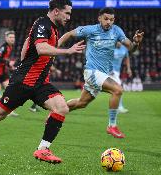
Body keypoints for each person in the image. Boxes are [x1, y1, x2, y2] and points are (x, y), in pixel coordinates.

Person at [0, 0, 86, 164]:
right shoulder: (42, 24)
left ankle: (42, 150)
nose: (68, 17)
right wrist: (68, 51)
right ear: (56, 11)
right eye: (67, 13)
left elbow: (27, 44)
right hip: (23, 82)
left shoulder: (54, 28)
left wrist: (27, 61)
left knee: (61, 108)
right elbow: (41, 48)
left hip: (40, 83)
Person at [58, 7, 144, 138]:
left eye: (111, 19)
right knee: (118, 90)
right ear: (99, 18)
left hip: (103, 74)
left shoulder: (117, 31)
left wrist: (136, 43)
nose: (108, 22)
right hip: (92, 71)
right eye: (106, 19)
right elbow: (69, 34)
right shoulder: (90, 30)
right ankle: (112, 126)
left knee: (81, 103)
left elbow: (131, 49)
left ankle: (56, 113)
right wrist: (54, 49)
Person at [110, 42, 132, 113]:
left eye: (120, 42)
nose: (119, 43)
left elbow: (127, 58)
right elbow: (106, 59)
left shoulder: (124, 49)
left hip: (117, 72)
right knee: (119, 88)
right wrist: (109, 69)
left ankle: (116, 107)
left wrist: (128, 68)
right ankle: (119, 107)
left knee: (115, 90)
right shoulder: (110, 48)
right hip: (110, 71)